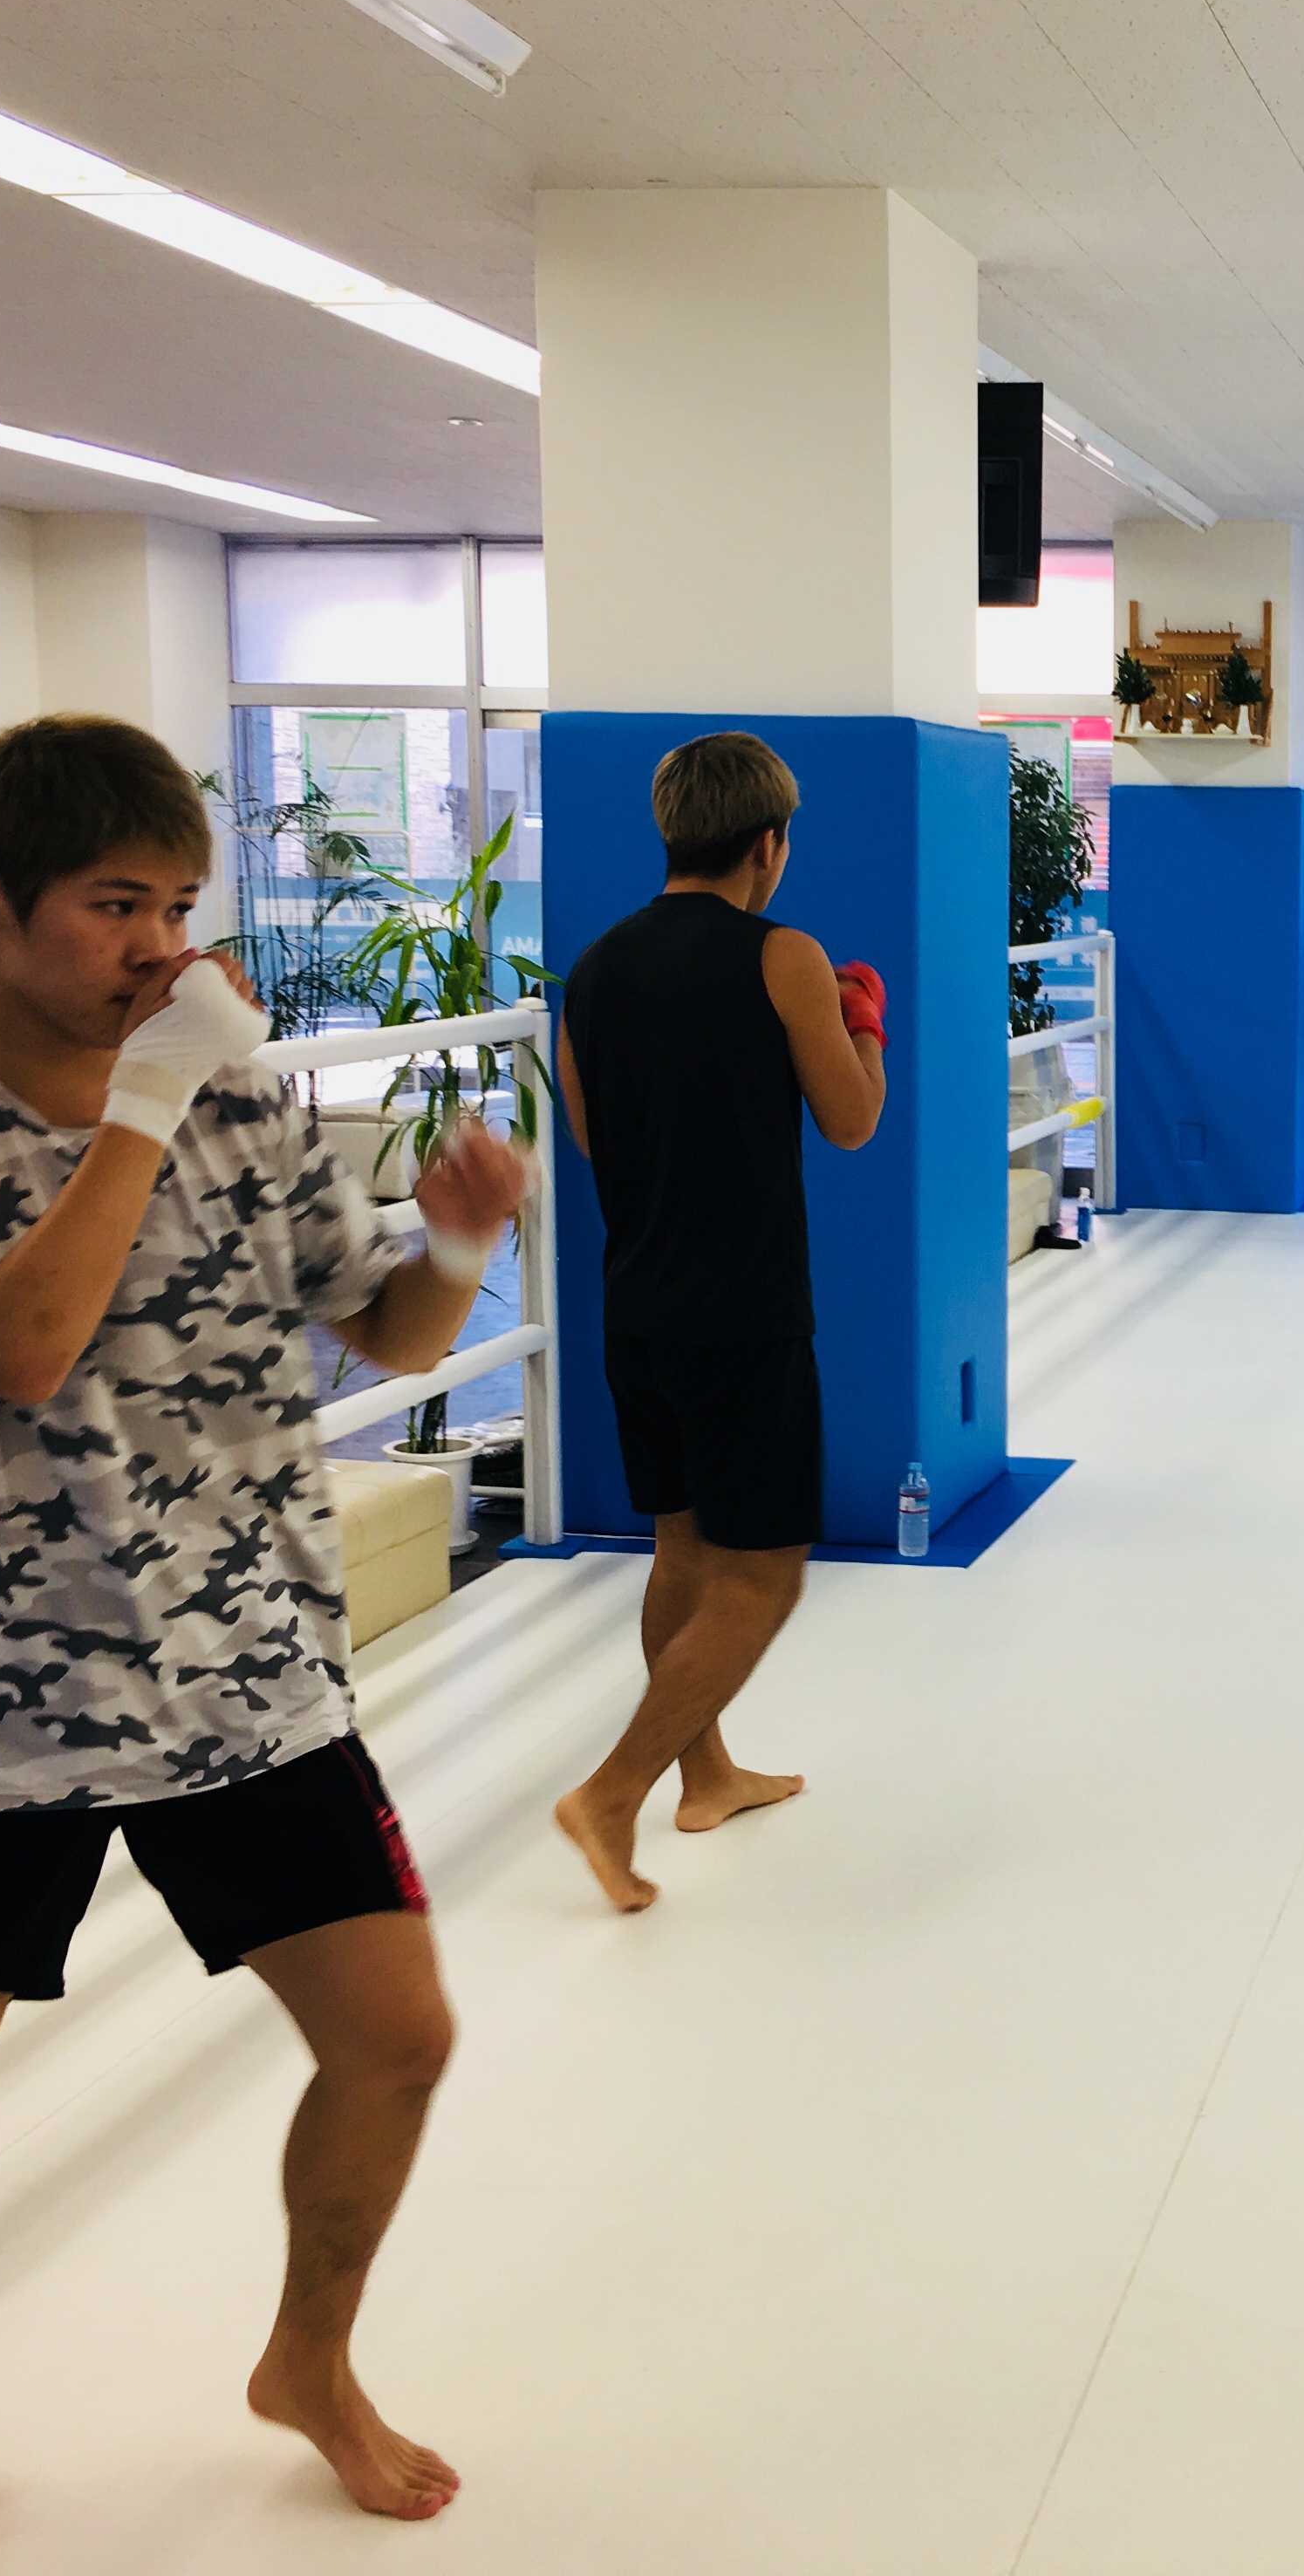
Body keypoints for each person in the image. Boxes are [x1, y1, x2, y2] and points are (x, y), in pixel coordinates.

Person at [0, 713, 529, 2574]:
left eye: (180, 906)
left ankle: (308, 2362)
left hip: (244, 1673)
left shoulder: (244, 1108)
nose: (163, 949)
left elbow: (391, 1335)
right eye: (117, 905)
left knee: (398, 2043)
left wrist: (452, 1244)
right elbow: (19, 1346)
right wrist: (143, 1106)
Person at [551, 732, 886, 1915]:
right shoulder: (782, 955)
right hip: (741, 1313)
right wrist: (863, 1022)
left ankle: (708, 1775)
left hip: (635, 1308)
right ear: (769, 845)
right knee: (766, 1576)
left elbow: (590, 1135)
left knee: (683, 1550)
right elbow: (852, 1120)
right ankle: (613, 1792)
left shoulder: (594, 968)